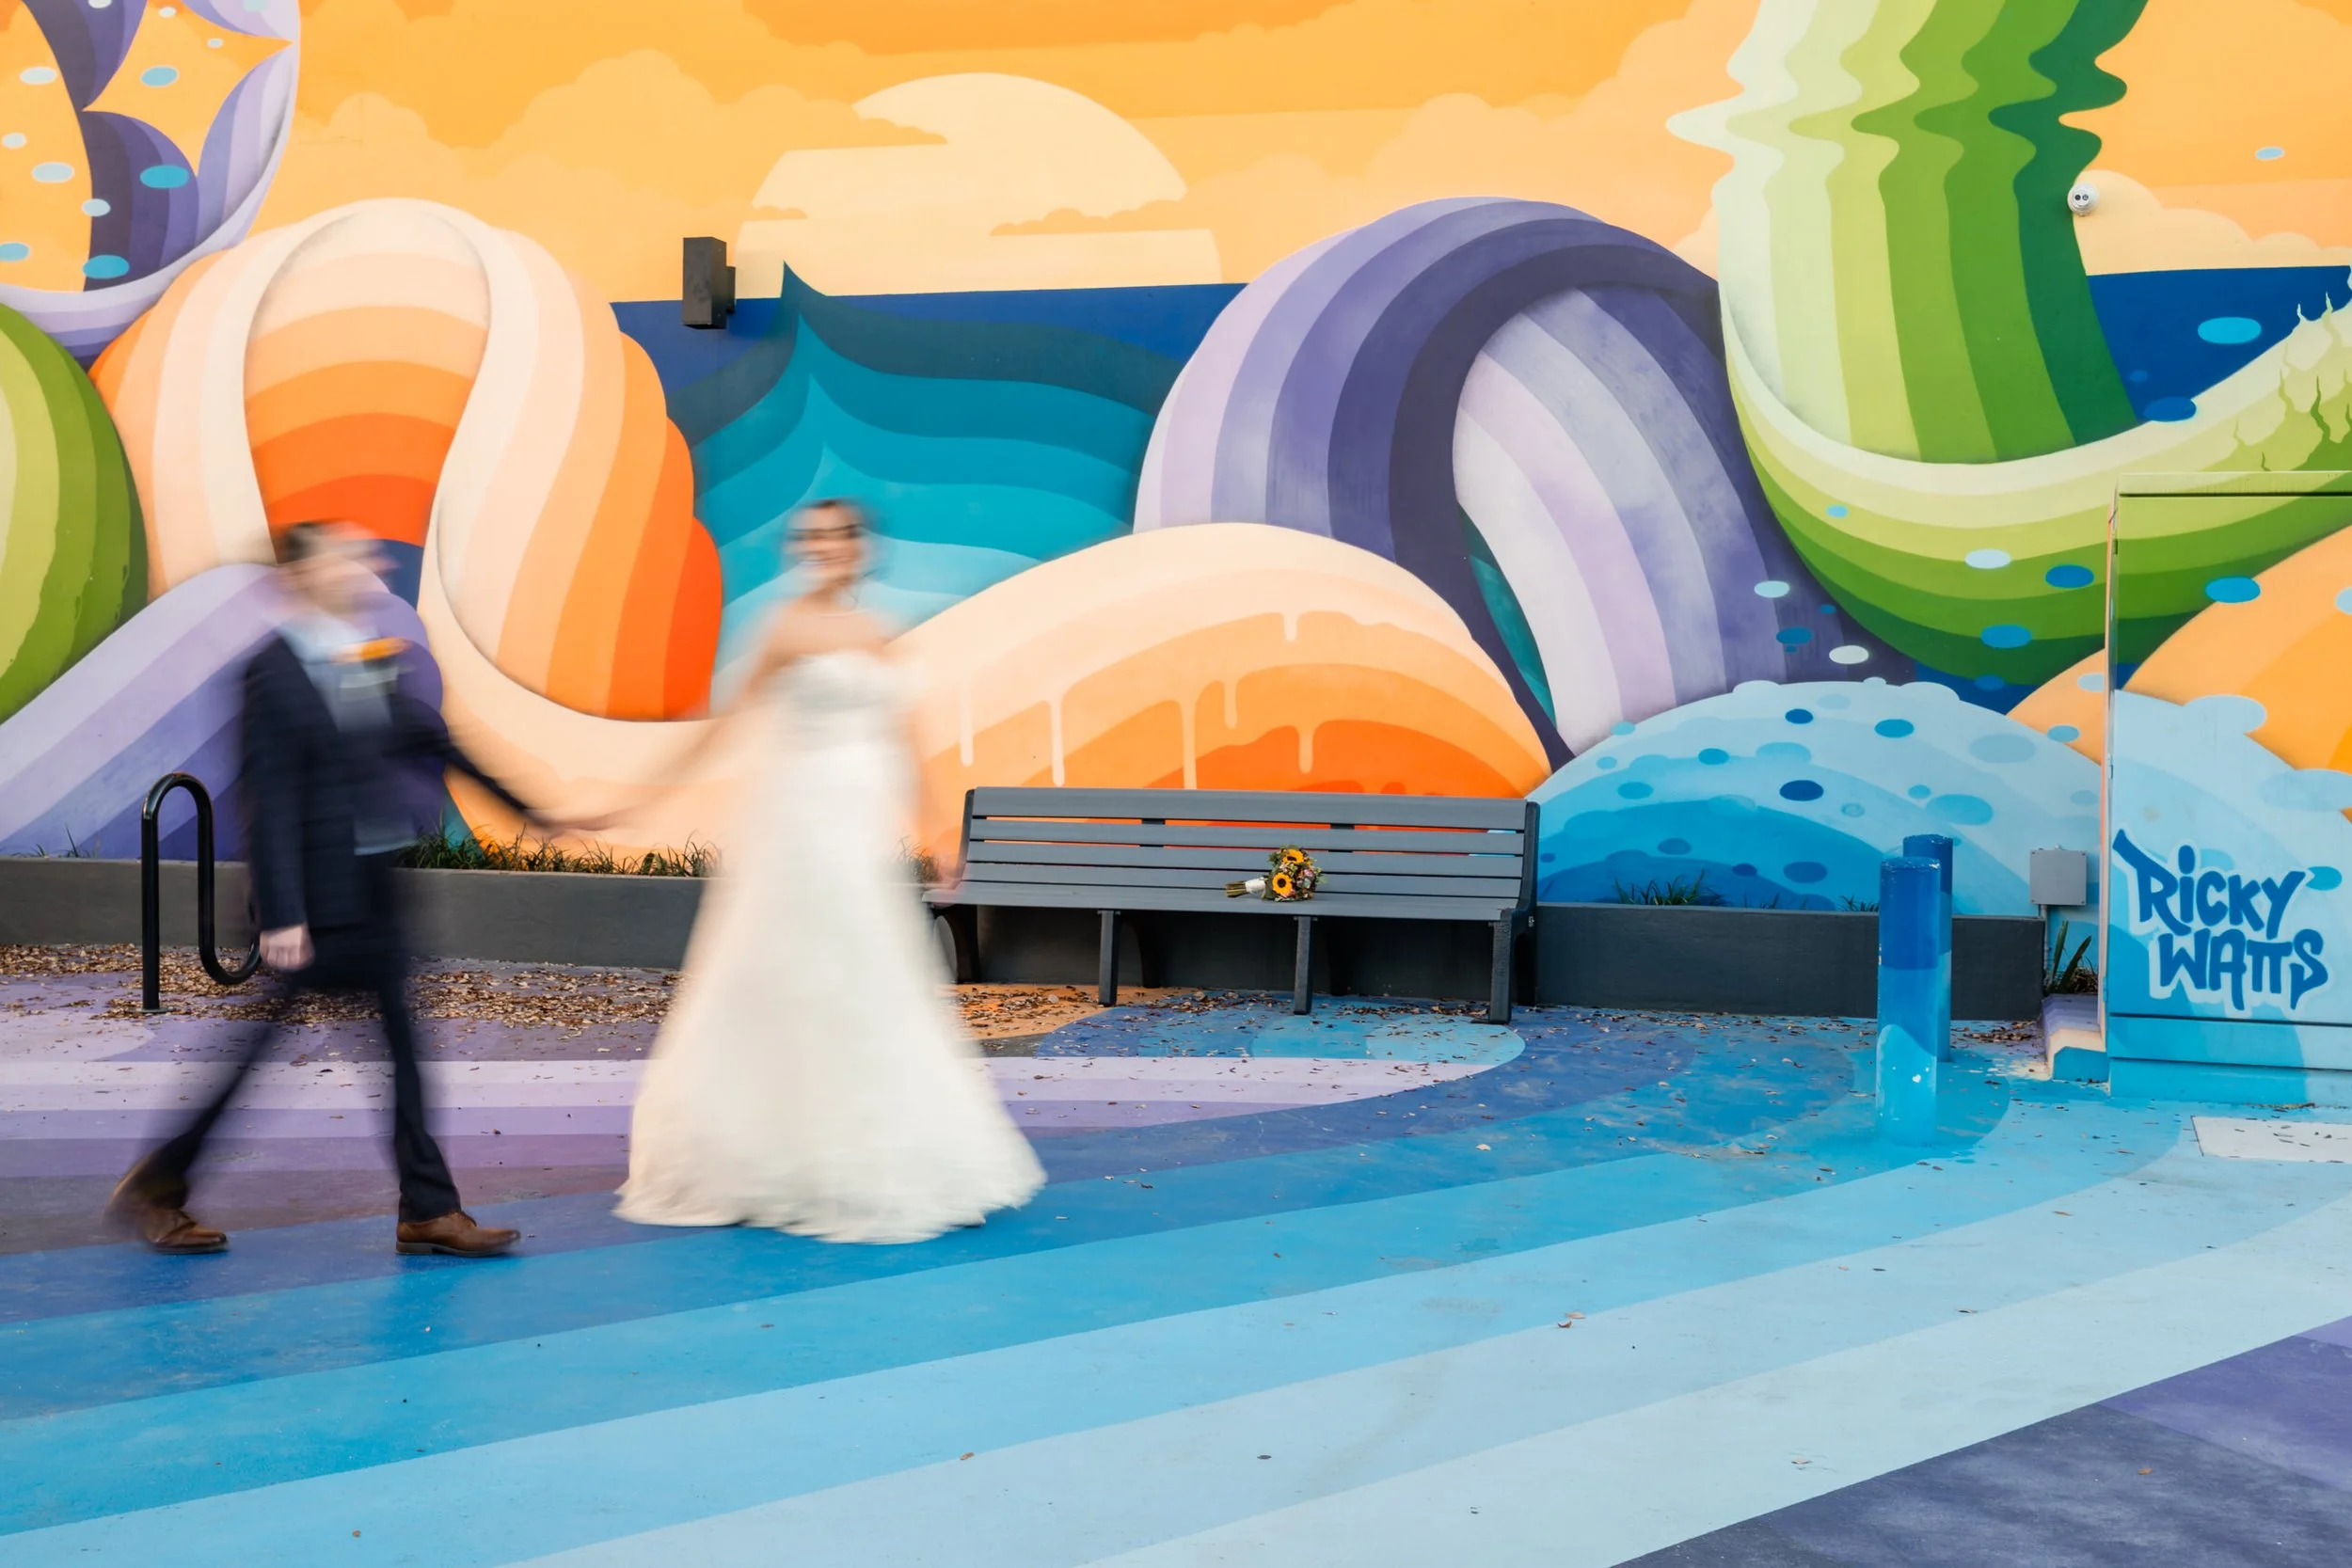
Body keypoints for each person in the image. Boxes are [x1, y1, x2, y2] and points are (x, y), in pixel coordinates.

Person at [106, 520, 548, 1258]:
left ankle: (429, 1211)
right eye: (347, 555)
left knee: (402, 1053)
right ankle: (160, 1183)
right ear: (304, 575)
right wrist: (281, 911)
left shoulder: (364, 655)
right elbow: (269, 795)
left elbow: (422, 734)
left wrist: (529, 803)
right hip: (314, 902)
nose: (366, 565)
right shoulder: (272, 673)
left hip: (373, 890)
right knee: (254, 1056)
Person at [610, 498, 1044, 1243]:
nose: (826, 547)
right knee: (804, 976)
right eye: (811, 537)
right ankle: (785, 1154)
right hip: (801, 827)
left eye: (839, 535)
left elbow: (907, 740)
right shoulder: (783, 628)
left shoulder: (875, 634)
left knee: (871, 976)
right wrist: (638, 791)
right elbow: (732, 721)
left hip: (856, 830)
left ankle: (876, 1145)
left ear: (862, 547)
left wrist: (937, 829)